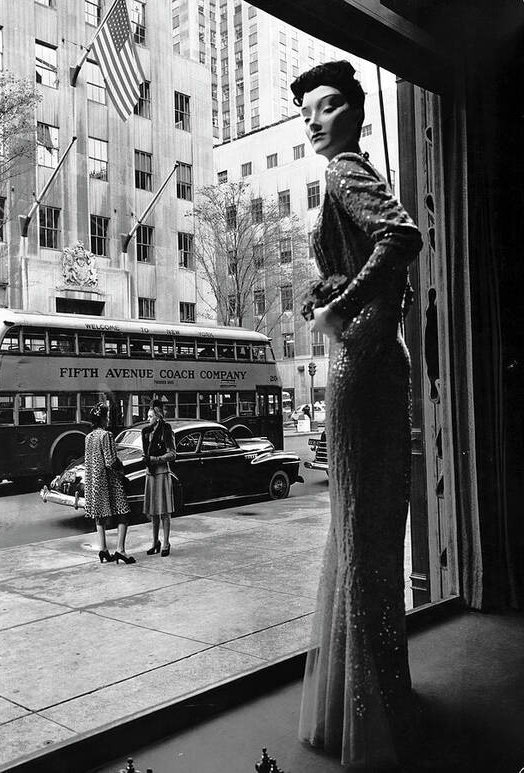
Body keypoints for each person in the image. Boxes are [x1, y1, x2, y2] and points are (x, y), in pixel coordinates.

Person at [291, 61, 423, 768]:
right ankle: (379, 698)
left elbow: (401, 239)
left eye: (330, 105)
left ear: (357, 113)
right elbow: (386, 254)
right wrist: (333, 287)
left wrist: (341, 307)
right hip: (377, 363)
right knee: (369, 531)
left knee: (360, 530)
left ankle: (366, 708)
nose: (316, 119)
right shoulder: (351, 171)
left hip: (360, 367)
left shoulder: (344, 169)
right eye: (307, 110)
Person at [84, 403, 135, 565]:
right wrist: (121, 470)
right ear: (103, 419)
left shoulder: (88, 437)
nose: (108, 419)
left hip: (94, 481)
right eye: (106, 416)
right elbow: (110, 461)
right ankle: (121, 550)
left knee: (99, 515)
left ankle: (103, 549)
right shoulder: (106, 435)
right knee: (123, 512)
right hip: (109, 480)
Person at [142, 399, 176, 557]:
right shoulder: (147, 432)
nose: (148, 419)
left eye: (150, 416)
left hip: (162, 472)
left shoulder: (166, 430)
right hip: (151, 473)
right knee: (153, 511)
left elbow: (172, 454)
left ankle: (166, 542)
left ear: (158, 416)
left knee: (164, 511)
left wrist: (155, 459)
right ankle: (155, 542)